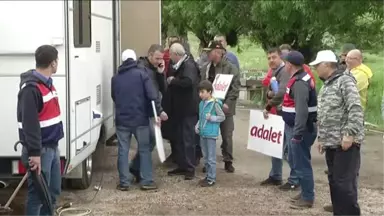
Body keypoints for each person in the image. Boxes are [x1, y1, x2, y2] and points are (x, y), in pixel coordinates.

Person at [311, 50, 364, 216]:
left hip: (345, 142)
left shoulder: (345, 81)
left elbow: (355, 108)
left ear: (327, 64)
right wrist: (321, 138)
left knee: (344, 185)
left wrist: (350, 134)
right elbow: (324, 114)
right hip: (332, 142)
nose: (315, 69)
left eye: (318, 65)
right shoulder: (327, 85)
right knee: (335, 183)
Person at [18, 45, 64, 216]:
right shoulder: (31, 89)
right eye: (57, 61)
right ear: (53, 63)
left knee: (51, 193)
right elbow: (30, 124)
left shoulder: (47, 84)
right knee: (37, 196)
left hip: (51, 147)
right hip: (40, 151)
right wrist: (35, 153)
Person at [111, 49, 160, 191]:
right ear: (134, 60)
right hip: (140, 120)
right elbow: (152, 95)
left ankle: (124, 182)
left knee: (123, 150)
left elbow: (114, 96)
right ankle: (146, 181)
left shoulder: (115, 78)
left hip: (122, 120)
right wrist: (155, 114)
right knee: (144, 150)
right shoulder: (142, 74)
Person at [278, 51, 318, 209]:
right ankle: (305, 193)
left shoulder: (300, 82)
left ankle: (308, 197)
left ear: (289, 64)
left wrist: (298, 133)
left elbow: (301, 111)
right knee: (298, 161)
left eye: (285, 62)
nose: (284, 65)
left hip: (300, 128)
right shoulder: (300, 78)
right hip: (298, 126)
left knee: (302, 163)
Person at [260, 47, 299, 191]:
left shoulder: (284, 72)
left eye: (274, 57)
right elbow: (271, 91)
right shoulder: (276, 72)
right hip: (279, 113)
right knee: (274, 146)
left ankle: (295, 179)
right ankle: (276, 175)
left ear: (281, 57)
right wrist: (270, 94)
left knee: (289, 149)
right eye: (269, 58)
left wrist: (269, 105)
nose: (271, 60)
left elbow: (282, 92)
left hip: (287, 114)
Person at [200, 40, 240, 173]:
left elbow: (235, 89)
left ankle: (228, 160)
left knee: (227, 135)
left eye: (209, 52)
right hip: (208, 106)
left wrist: (228, 103)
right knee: (206, 134)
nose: (207, 54)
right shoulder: (205, 68)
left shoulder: (231, 68)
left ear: (218, 52)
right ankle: (208, 162)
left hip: (224, 108)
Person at [166, 43, 200, 180]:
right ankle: (182, 164)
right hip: (179, 109)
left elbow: (188, 82)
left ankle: (190, 168)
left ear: (176, 54)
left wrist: (174, 80)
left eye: (171, 55)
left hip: (188, 109)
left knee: (188, 139)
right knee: (179, 138)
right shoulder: (179, 65)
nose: (170, 58)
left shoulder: (188, 65)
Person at [195, 80, 226, 187]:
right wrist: (198, 125)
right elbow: (201, 116)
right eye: (199, 92)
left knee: (211, 157)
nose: (200, 94)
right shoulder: (201, 103)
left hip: (211, 134)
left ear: (209, 92)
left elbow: (222, 117)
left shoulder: (215, 104)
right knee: (206, 156)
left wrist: (212, 118)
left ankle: (211, 178)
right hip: (203, 133)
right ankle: (208, 176)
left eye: (202, 92)